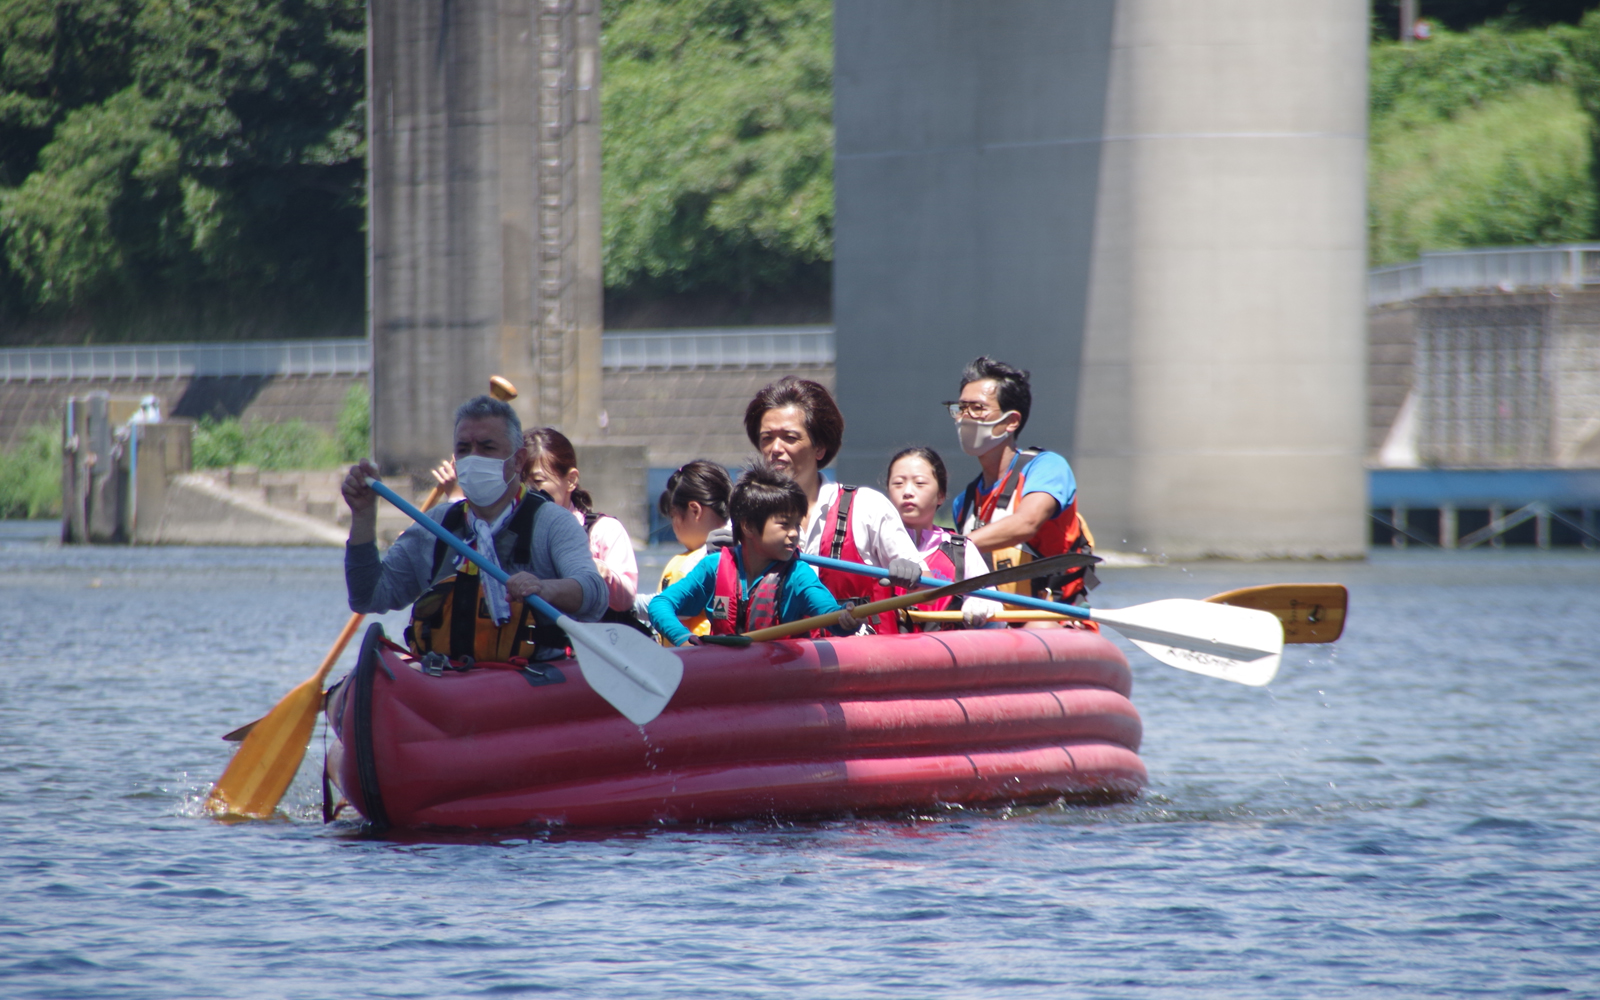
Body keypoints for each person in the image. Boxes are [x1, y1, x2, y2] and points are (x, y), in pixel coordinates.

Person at [341, 396, 607, 662]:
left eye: (487, 447)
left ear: (518, 461)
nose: (474, 458)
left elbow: (594, 593)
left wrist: (543, 588)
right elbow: (369, 596)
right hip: (446, 683)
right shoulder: (436, 526)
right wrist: (363, 516)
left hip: (528, 685)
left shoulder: (552, 522)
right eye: (465, 449)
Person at [742, 376, 922, 633]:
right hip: (779, 668)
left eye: (789, 437)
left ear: (820, 448)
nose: (775, 449)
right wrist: (717, 557)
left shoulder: (867, 507)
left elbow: (929, 582)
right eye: (767, 438)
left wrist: (912, 571)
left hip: (861, 666)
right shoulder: (743, 519)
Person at [946, 357, 1097, 610]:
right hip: (993, 627)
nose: (965, 418)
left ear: (1011, 421)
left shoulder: (1047, 467)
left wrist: (952, 547)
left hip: (1054, 621)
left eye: (977, 408)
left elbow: (1026, 522)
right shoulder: (964, 502)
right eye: (960, 408)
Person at [649, 463, 858, 646]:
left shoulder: (798, 575)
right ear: (748, 526)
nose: (795, 533)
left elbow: (833, 618)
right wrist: (682, 638)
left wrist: (846, 619)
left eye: (796, 524)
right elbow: (660, 604)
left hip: (779, 681)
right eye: (784, 524)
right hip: (727, 679)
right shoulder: (713, 566)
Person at [521, 427, 647, 634]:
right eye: (521, 481)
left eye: (538, 481)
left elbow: (626, 600)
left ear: (570, 480)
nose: (528, 491)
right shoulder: (511, 531)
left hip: (593, 650)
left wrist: (606, 575)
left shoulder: (603, 530)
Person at [884, 447, 1000, 630]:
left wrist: (983, 606)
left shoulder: (961, 550)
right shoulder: (872, 544)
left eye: (919, 483)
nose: (907, 492)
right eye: (898, 483)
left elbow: (996, 618)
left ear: (941, 495)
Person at [653, 460, 733, 641]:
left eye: (673, 516)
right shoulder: (745, 545)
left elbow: (672, 606)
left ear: (694, 510)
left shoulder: (694, 562)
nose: (673, 527)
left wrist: (627, 604)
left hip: (694, 660)